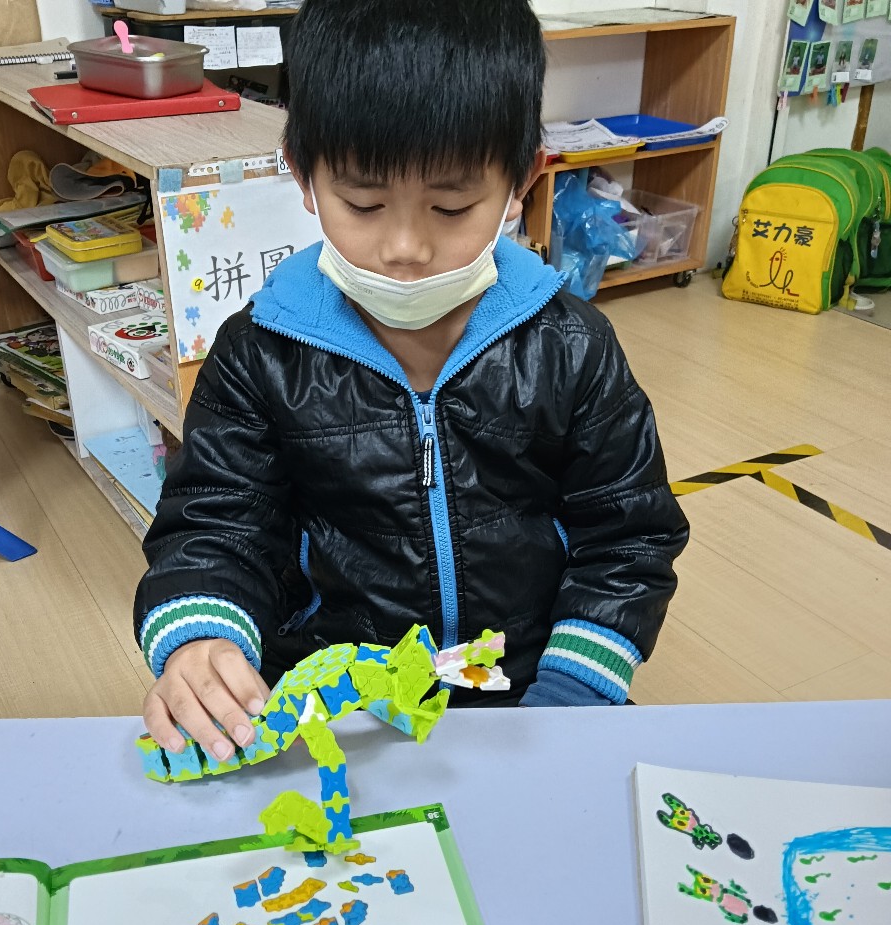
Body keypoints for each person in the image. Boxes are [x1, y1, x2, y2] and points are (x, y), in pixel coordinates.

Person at [135, 0, 689, 761]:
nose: (404, 247)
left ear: (522, 179)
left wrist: (573, 690)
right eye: (363, 203)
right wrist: (203, 634)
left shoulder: (571, 347)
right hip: (337, 704)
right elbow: (218, 524)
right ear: (302, 175)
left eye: (451, 206)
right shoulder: (261, 353)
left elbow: (627, 535)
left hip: (528, 692)